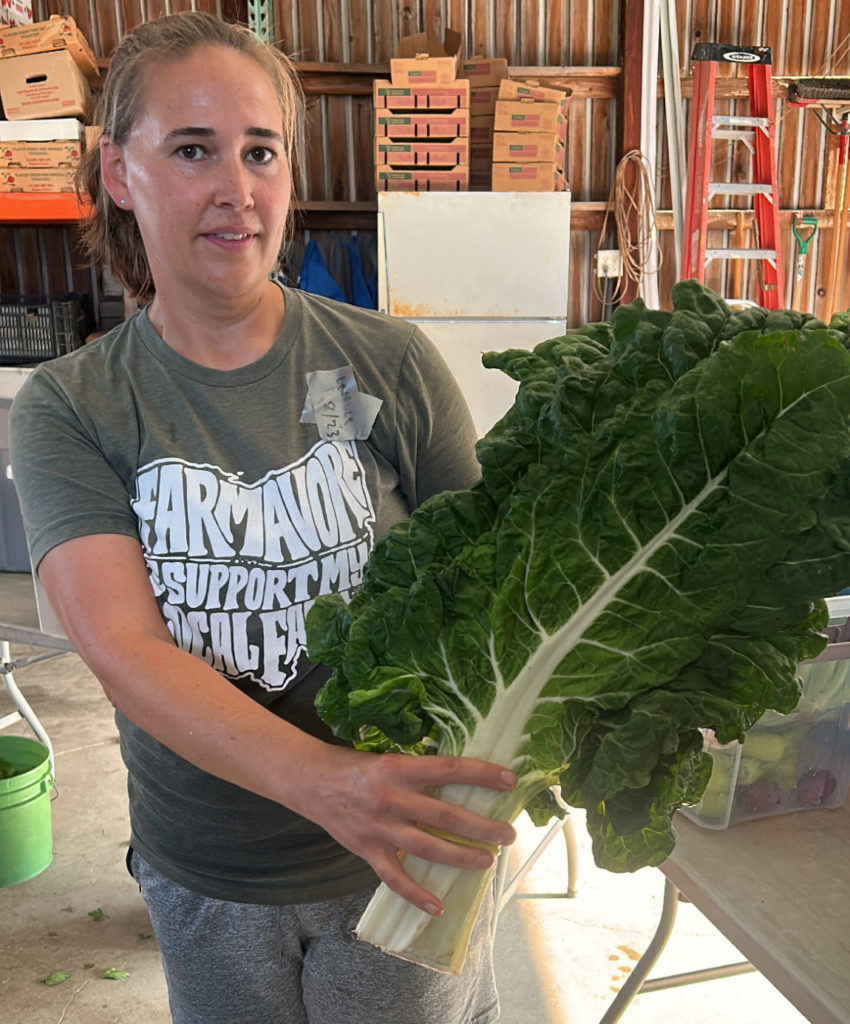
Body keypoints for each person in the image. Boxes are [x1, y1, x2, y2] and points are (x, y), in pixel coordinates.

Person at [9, 11, 517, 1024]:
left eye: (260, 151)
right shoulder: (74, 404)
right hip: (210, 870)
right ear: (120, 173)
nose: (234, 188)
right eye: (191, 150)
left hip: (409, 853)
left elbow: (487, 585)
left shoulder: (388, 363)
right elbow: (120, 645)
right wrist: (328, 783)